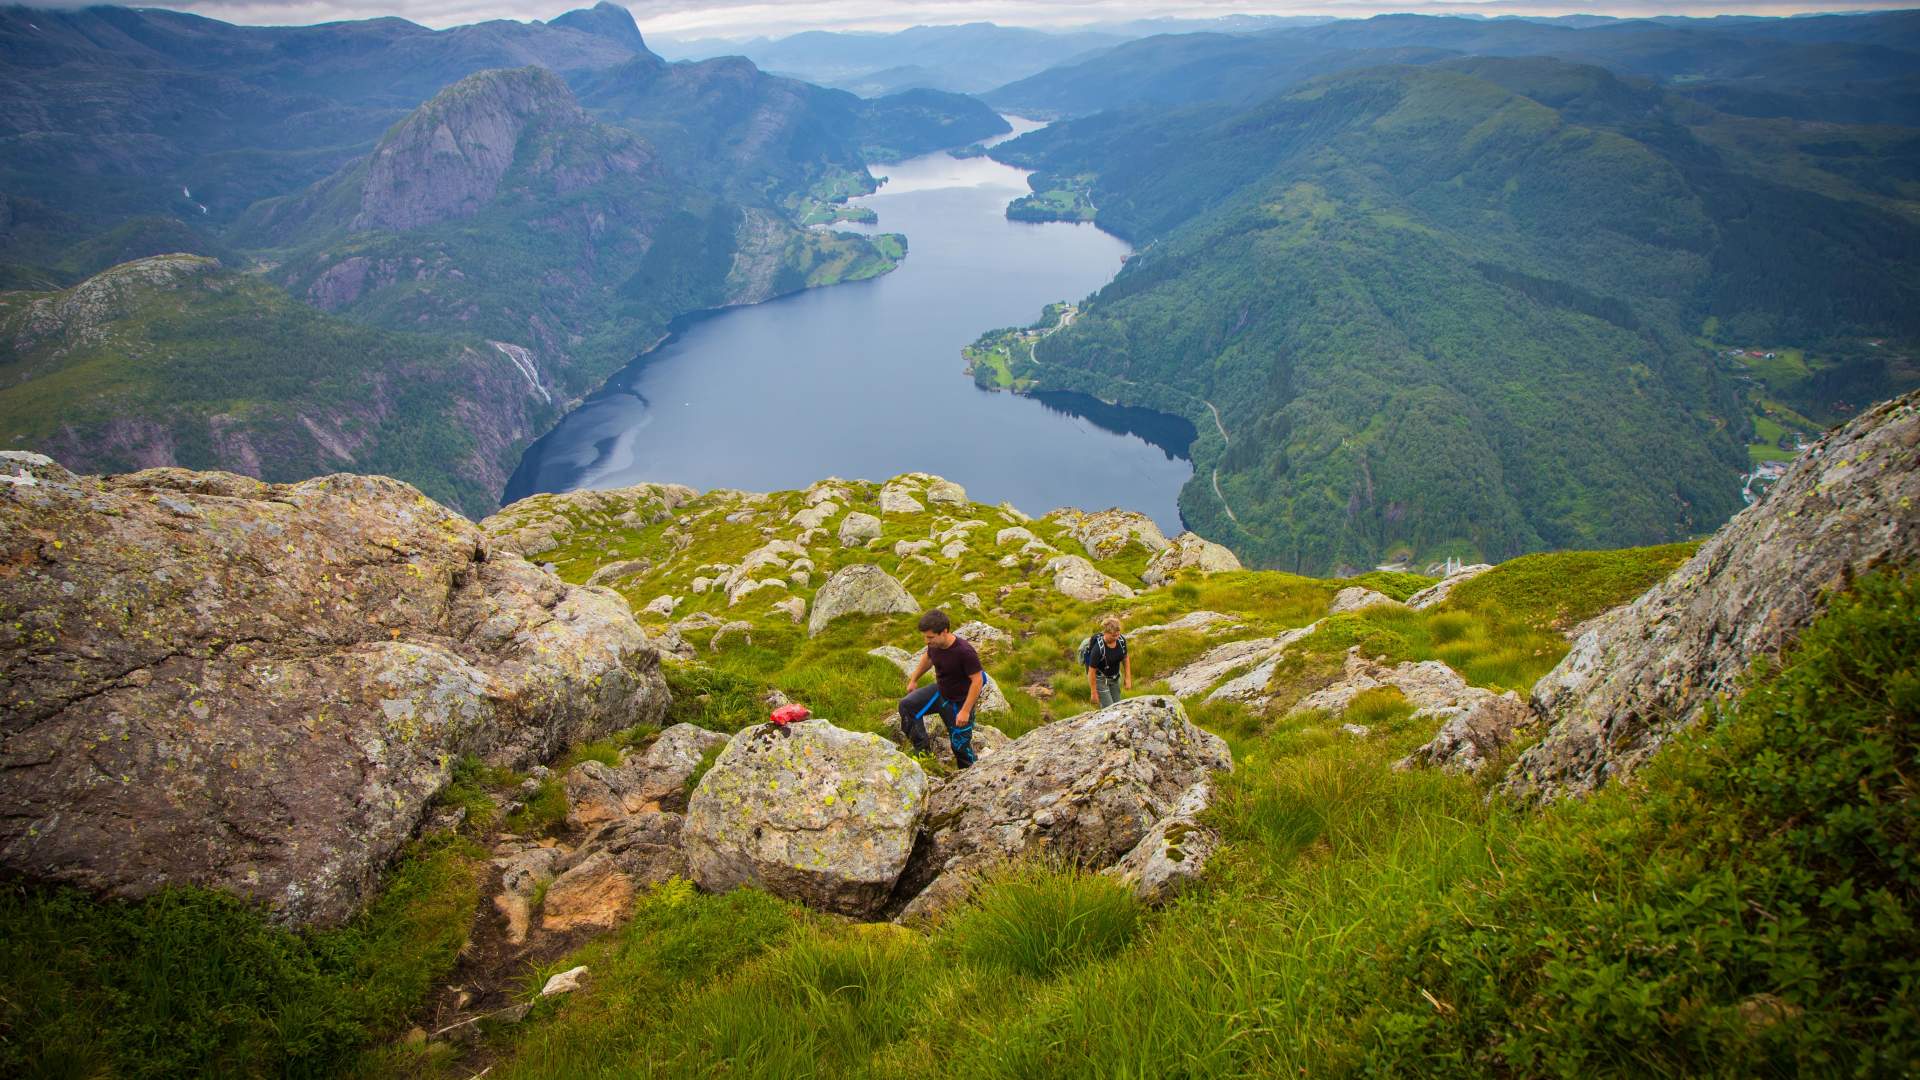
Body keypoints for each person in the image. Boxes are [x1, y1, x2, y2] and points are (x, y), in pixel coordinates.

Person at [898, 609, 983, 768]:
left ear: (944, 631)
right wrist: (914, 679)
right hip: (940, 693)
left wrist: (965, 711)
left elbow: (977, 681)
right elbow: (929, 657)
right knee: (907, 706)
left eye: (930, 637)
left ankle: (971, 775)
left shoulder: (964, 652)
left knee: (960, 747)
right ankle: (923, 752)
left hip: (958, 703)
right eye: (924, 636)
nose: (926, 641)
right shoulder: (934, 644)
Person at [1083, 616, 1131, 706]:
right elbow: (1091, 671)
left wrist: (1128, 678)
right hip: (1100, 679)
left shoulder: (1121, 640)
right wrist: (1093, 692)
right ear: (1106, 633)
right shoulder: (1098, 648)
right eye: (1113, 636)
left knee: (1118, 705)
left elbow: (1125, 657)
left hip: (1115, 678)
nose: (1116, 637)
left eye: (1118, 634)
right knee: (1109, 708)